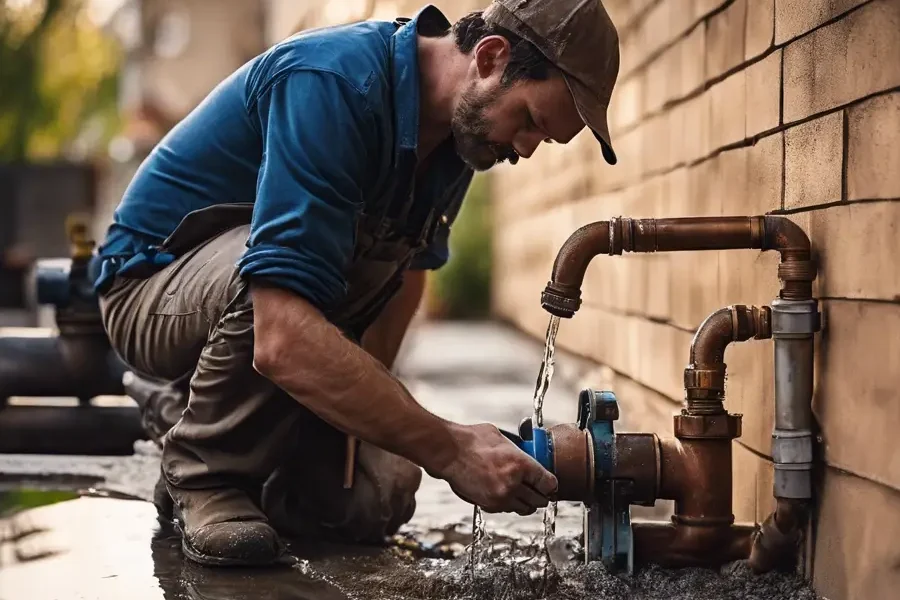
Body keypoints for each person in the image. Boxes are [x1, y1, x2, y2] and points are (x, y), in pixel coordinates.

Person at [95, 0, 620, 567]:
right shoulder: (333, 83)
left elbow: (407, 275)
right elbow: (279, 331)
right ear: (492, 58)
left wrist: (362, 418)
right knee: (273, 276)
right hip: (151, 289)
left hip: (272, 310)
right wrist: (451, 447)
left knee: (374, 498)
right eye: (531, 121)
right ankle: (203, 471)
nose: (525, 148)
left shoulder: (461, 138)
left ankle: (201, 416)